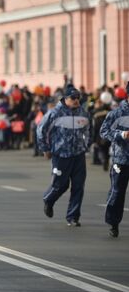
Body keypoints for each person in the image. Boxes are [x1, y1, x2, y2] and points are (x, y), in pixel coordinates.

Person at [37, 86, 91, 227]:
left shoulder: (83, 113)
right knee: (60, 185)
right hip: (61, 154)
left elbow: (88, 130)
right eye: (73, 98)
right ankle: (49, 200)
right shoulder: (55, 113)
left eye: (78, 98)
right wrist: (45, 149)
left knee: (78, 186)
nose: (76, 101)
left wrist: (86, 146)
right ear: (65, 99)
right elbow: (41, 130)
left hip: (78, 155)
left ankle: (73, 217)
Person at [99, 81, 129, 238]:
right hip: (122, 160)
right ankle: (113, 223)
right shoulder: (117, 113)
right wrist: (121, 135)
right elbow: (103, 132)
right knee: (118, 193)